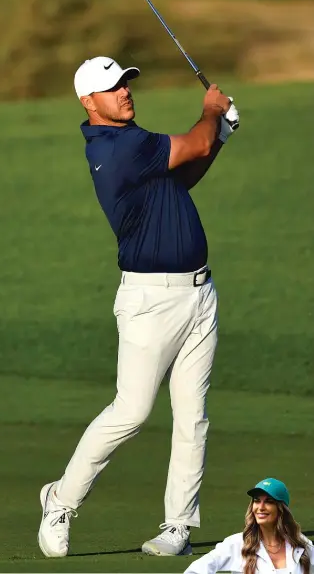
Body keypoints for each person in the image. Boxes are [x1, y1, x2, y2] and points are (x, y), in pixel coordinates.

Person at [38, 56, 240, 558]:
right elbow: (195, 142)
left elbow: (184, 174)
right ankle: (60, 501)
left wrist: (221, 133)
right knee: (131, 411)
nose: (125, 92)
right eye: (113, 88)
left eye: (126, 83)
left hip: (199, 294)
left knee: (193, 417)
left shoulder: (135, 142)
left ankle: (178, 525)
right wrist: (212, 111)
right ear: (89, 102)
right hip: (151, 301)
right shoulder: (118, 146)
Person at [184, 478, 314, 574]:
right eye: (257, 501)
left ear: (281, 509)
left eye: (269, 502)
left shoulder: (301, 545)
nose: (261, 507)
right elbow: (195, 570)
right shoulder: (237, 544)